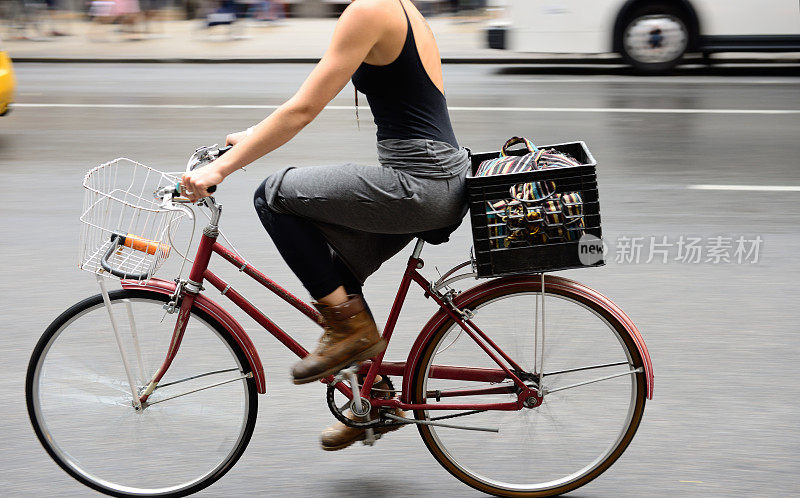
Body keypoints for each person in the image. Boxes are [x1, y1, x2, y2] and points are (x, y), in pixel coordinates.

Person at [180, 0, 469, 450]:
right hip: (438, 176)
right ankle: (374, 401)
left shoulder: (369, 11)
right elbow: (308, 100)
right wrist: (253, 136)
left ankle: (349, 329)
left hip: (420, 182)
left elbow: (304, 109)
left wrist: (221, 170)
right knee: (337, 273)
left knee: (273, 195)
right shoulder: (402, 9)